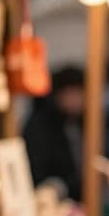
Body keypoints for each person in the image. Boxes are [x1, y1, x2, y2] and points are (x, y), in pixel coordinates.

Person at [23, 65, 85, 200]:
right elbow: (36, 169)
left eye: (79, 93)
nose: (76, 100)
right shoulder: (40, 125)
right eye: (71, 93)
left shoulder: (84, 123)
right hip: (47, 197)